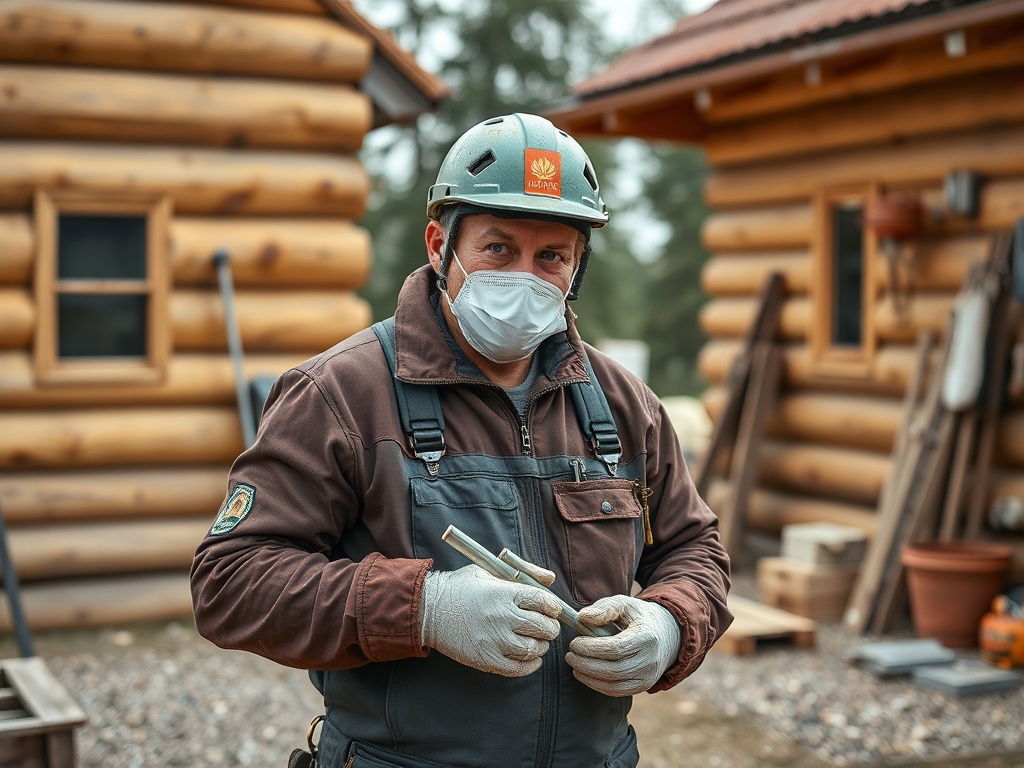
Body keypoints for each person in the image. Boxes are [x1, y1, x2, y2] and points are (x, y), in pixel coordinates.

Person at [191, 112, 732, 768]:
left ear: (577, 267)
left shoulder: (623, 404)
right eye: (498, 248)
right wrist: (424, 608)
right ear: (437, 243)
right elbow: (230, 582)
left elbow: (694, 546)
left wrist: (672, 622)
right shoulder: (340, 394)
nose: (524, 278)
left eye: (551, 257)